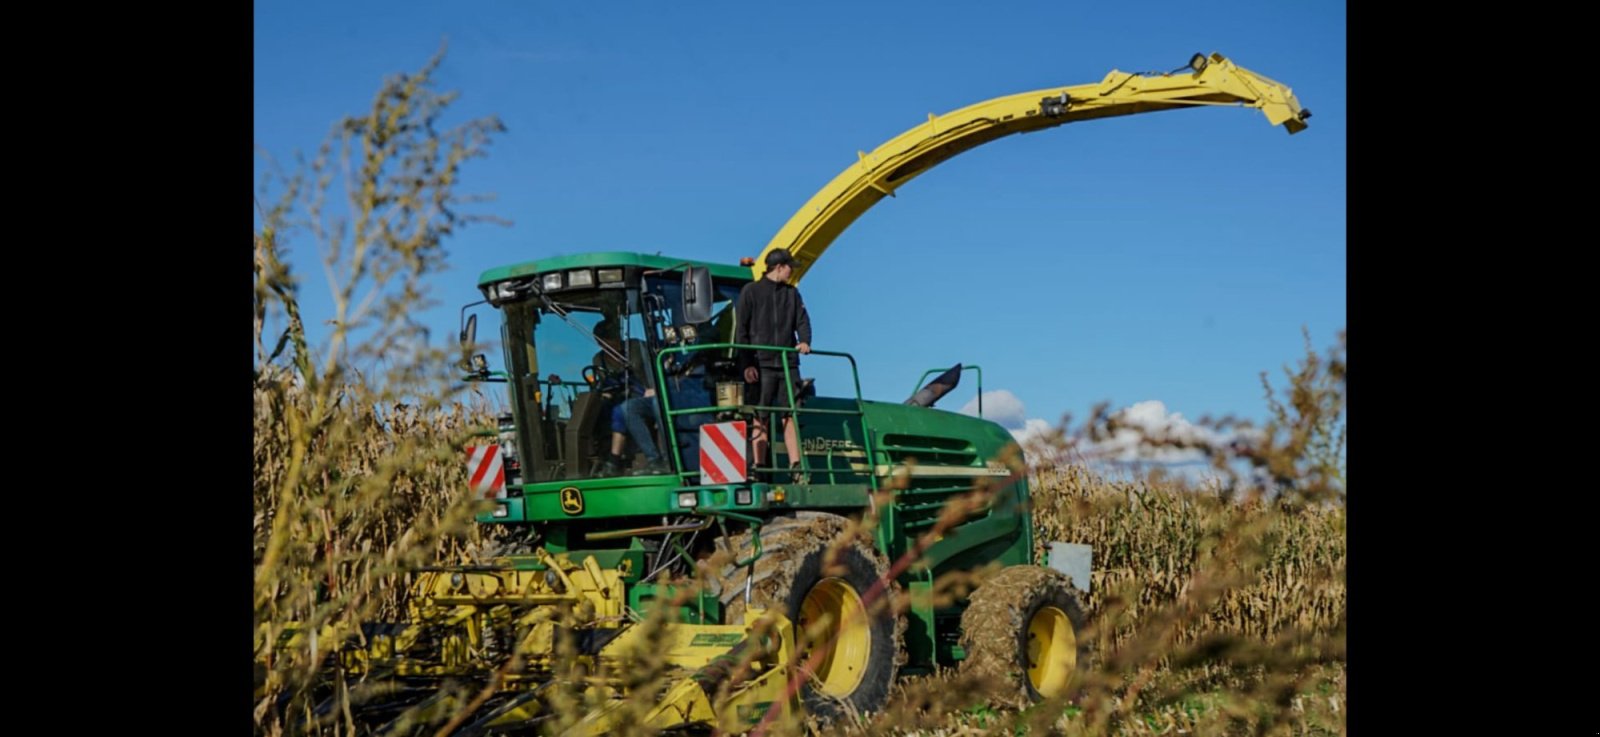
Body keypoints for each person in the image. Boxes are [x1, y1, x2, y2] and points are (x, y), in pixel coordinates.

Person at [736, 248, 811, 482]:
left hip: (788, 363)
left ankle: (796, 466)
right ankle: (759, 466)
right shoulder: (751, 292)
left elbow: (803, 320)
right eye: (790, 267)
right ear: (779, 267)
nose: (792, 272)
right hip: (761, 363)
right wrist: (747, 364)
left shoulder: (792, 294)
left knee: (789, 414)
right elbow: (742, 331)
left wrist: (805, 340)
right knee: (761, 414)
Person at [592, 318, 669, 476]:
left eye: (613, 339)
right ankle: (604, 457)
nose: (611, 344)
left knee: (621, 411)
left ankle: (616, 460)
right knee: (598, 412)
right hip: (620, 397)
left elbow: (659, 363)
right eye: (604, 342)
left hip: (647, 393)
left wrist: (655, 388)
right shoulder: (598, 360)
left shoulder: (636, 347)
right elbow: (605, 384)